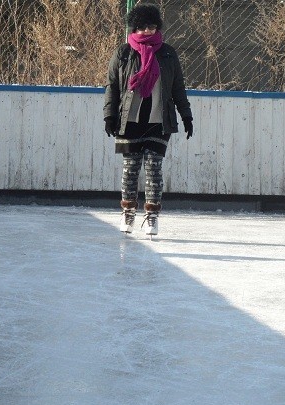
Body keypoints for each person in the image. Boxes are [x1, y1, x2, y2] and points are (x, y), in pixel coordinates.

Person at [103, 4, 193, 237]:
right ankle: (128, 212)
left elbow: (178, 88)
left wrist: (186, 115)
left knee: (154, 168)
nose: (147, 32)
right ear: (135, 27)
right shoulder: (123, 53)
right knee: (131, 168)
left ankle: (152, 217)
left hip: (158, 120)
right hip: (129, 120)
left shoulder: (168, 53)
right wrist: (109, 115)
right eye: (142, 27)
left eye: (151, 27)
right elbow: (112, 86)